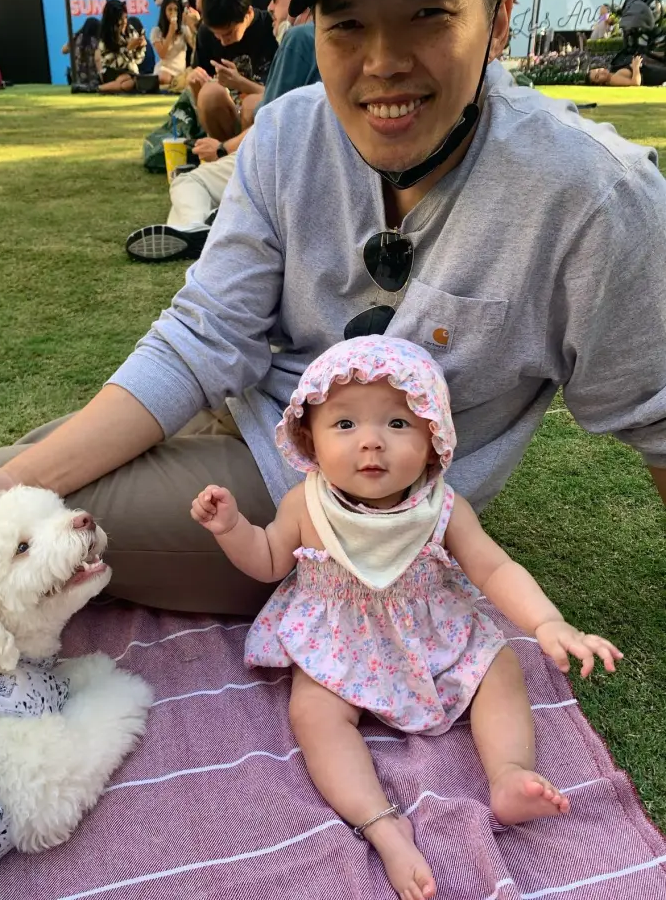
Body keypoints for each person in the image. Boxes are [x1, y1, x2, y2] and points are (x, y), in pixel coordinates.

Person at [0, 0, 665, 633]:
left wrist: (19, 485)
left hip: (319, 512)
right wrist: (19, 473)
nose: (383, 61)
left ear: (500, 7)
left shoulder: (591, 195)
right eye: (346, 22)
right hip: (238, 416)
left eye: (427, 13)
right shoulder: (287, 132)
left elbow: (658, 419)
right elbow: (203, 336)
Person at [191, 336, 622, 900]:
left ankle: (510, 773)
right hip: (339, 642)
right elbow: (270, 560)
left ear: (433, 440)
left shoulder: (443, 507)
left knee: (500, 667)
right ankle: (382, 825)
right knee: (314, 714)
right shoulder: (306, 503)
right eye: (345, 424)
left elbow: (493, 569)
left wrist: (546, 622)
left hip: (433, 632)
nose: (371, 441)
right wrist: (232, 530)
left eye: (398, 423)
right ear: (310, 439)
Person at [126, 0, 318, 263]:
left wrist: (222, 149)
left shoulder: (297, 38)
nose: (271, 6)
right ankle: (207, 221)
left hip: (277, 164)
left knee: (188, 180)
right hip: (300, 165)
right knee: (216, 95)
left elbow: (272, 124)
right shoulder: (336, 39)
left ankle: (194, 227)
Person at [188, 0, 278, 141]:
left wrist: (240, 83)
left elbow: (282, 97)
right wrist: (195, 84)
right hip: (227, 122)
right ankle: (223, 152)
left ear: (248, 13)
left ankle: (243, 155)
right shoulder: (206, 33)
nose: (222, 42)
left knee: (252, 104)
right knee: (209, 94)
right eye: (216, 35)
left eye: (228, 34)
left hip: (263, 122)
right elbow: (202, 105)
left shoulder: (272, 29)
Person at [95, 0, 147, 93]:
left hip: (131, 72)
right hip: (112, 72)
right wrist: (128, 49)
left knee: (129, 82)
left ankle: (99, 88)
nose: (124, 22)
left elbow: (138, 60)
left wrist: (140, 47)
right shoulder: (104, 39)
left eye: (126, 17)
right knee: (127, 80)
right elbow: (114, 64)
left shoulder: (130, 31)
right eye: (120, 19)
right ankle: (101, 88)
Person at [150, 0, 198, 90]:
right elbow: (162, 54)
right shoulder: (156, 31)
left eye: (175, 9)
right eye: (170, 9)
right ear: (164, 12)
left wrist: (191, 27)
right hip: (165, 70)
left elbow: (195, 47)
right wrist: (171, 32)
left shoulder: (183, 30)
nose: (173, 13)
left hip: (181, 71)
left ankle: (177, 83)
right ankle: (175, 84)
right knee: (163, 78)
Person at [62, 17, 101, 91]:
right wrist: (101, 75)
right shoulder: (96, 41)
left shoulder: (75, 37)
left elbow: (63, 51)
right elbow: (97, 59)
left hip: (75, 77)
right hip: (92, 77)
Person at [588, 54, 666, 87]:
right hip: (651, 75)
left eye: (598, 70)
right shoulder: (613, 79)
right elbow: (635, 83)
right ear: (599, 84)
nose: (601, 72)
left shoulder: (613, 71)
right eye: (597, 76)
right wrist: (636, 67)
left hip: (651, 70)